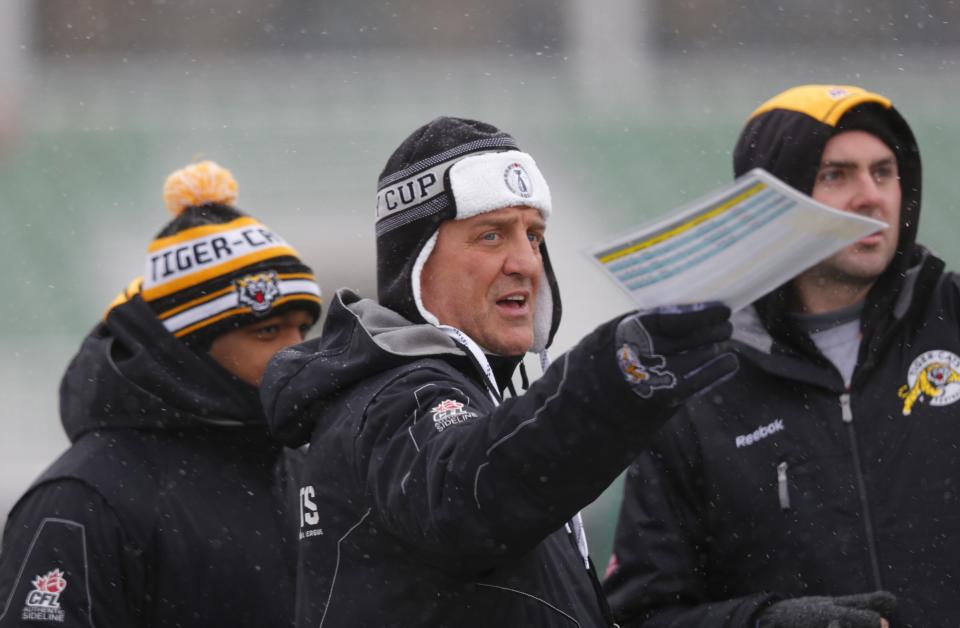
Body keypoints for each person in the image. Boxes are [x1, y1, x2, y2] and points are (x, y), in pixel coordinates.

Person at [261, 117, 738, 627]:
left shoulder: (451, 401)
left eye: (533, 236)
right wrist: (609, 378)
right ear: (416, 264)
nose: (526, 263)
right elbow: (463, 494)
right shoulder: (395, 399)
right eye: (491, 236)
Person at [604, 84, 960, 628]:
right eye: (835, 175)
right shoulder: (696, 387)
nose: (871, 196)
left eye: (884, 172)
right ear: (770, 202)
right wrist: (767, 623)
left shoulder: (952, 318)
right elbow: (640, 616)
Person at [0, 161, 322, 627]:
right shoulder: (84, 499)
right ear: (186, 347)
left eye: (302, 330)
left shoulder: (306, 470)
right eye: (268, 331)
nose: (295, 354)